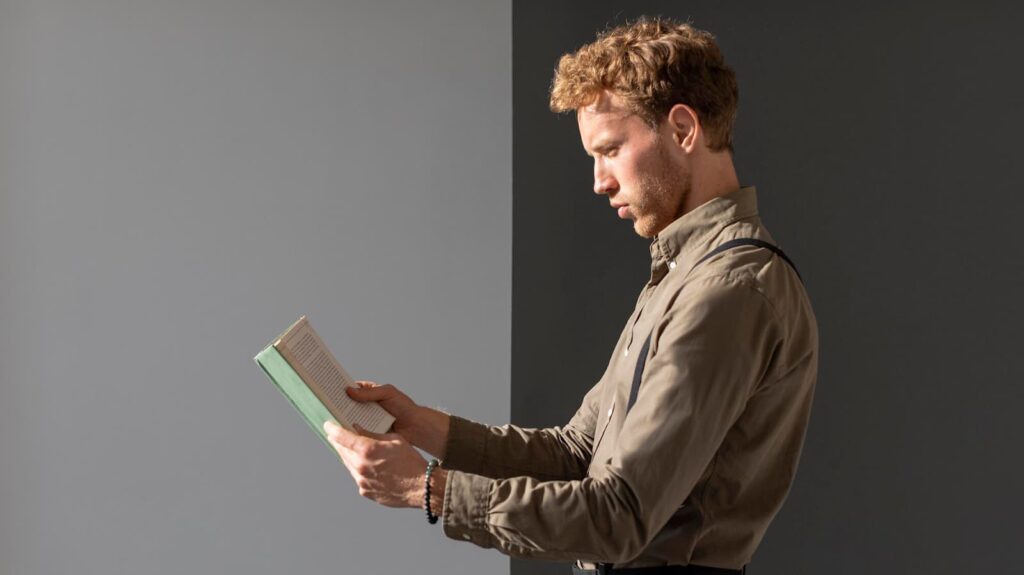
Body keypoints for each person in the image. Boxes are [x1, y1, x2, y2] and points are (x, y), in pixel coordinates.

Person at [323, 17, 818, 574]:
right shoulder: (685, 277)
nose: (598, 181)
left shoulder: (727, 290)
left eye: (609, 149)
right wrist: (425, 428)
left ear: (682, 130)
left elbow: (617, 516)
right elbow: (576, 453)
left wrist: (426, 487)